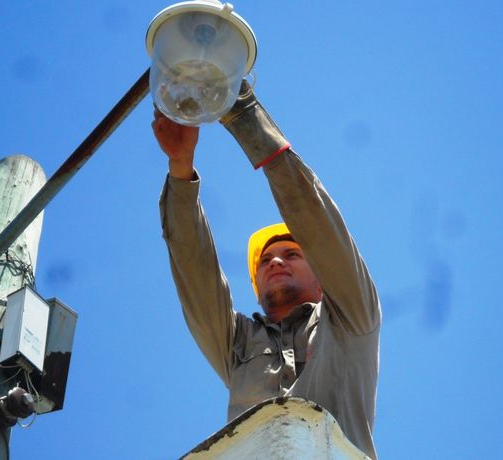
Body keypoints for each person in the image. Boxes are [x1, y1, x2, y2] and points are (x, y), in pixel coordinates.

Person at [153, 83, 381, 459]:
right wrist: (180, 169)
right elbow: (196, 276)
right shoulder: (240, 344)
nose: (275, 262)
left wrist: (243, 114)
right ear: (256, 285)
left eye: (292, 254)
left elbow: (316, 222)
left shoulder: (351, 318)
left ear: (322, 278)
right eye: (265, 260)